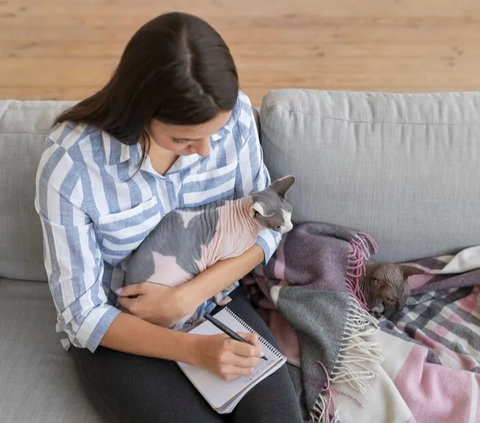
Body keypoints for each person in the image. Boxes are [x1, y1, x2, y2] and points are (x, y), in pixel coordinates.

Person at [34, 11, 303, 423]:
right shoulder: (71, 166)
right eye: (184, 138)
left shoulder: (238, 124)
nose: (207, 151)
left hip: (209, 301)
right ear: (138, 110)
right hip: (120, 327)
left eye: (216, 130)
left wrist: (187, 297)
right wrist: (194, 350)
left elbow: (265, 233)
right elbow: (83, 314)